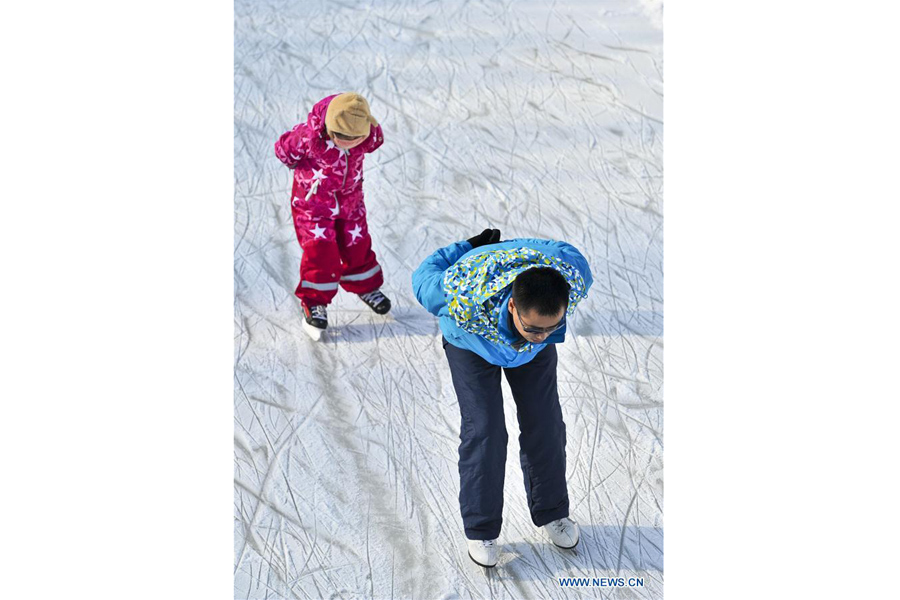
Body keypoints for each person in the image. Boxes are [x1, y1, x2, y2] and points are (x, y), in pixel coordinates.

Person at [412, 228, 593, 568]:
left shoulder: (574, 277)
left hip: (527, 350)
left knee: (546, 421)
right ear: (512, 306)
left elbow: (562, 248)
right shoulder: (464, 293)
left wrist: (518, 247)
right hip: (471, 343)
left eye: (550, 328)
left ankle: (553, 512)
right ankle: (481, 529)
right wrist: (466, 247)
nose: (542, 335)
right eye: (534, 328)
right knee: (485, 429)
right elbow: (423, 277)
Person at [274, 92, 391, 335]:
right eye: (340, 136)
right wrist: (298, 144)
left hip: (351, 203)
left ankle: (364, 286)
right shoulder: (308, 137)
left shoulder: (367, 137)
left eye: (355, 138)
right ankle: (315, 301)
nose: (348, 142)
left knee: (357, 245)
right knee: (321, 252)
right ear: (328, 127)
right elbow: (283, 151)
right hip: (313, 207)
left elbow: (375, 138)